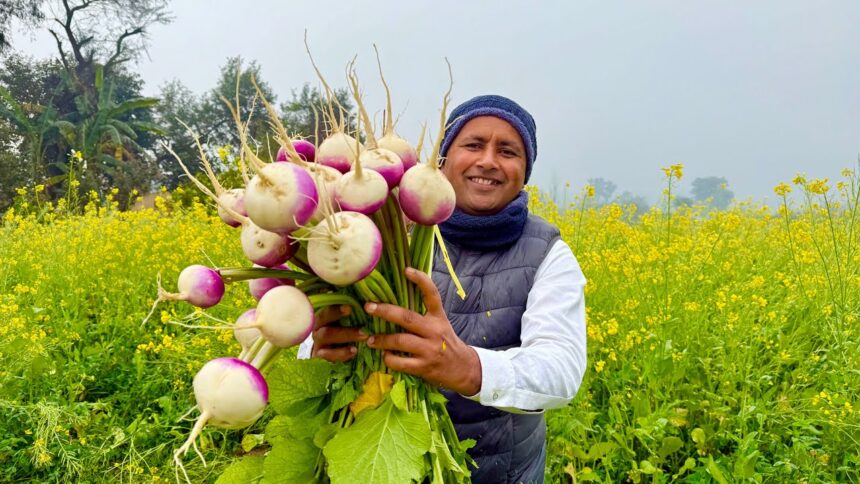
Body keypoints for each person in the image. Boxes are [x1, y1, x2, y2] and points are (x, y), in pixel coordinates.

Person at [299, 95, 587, 483]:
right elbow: (315, 337)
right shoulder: (385, 232)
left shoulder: (548, 253)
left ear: (525, 170)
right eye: (472, 145)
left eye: (508, 151)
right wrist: (319, 345)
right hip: (376, 456)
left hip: (498, 471)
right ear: (443, 160)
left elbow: (561, 369)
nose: (488, 160)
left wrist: (469, 367)